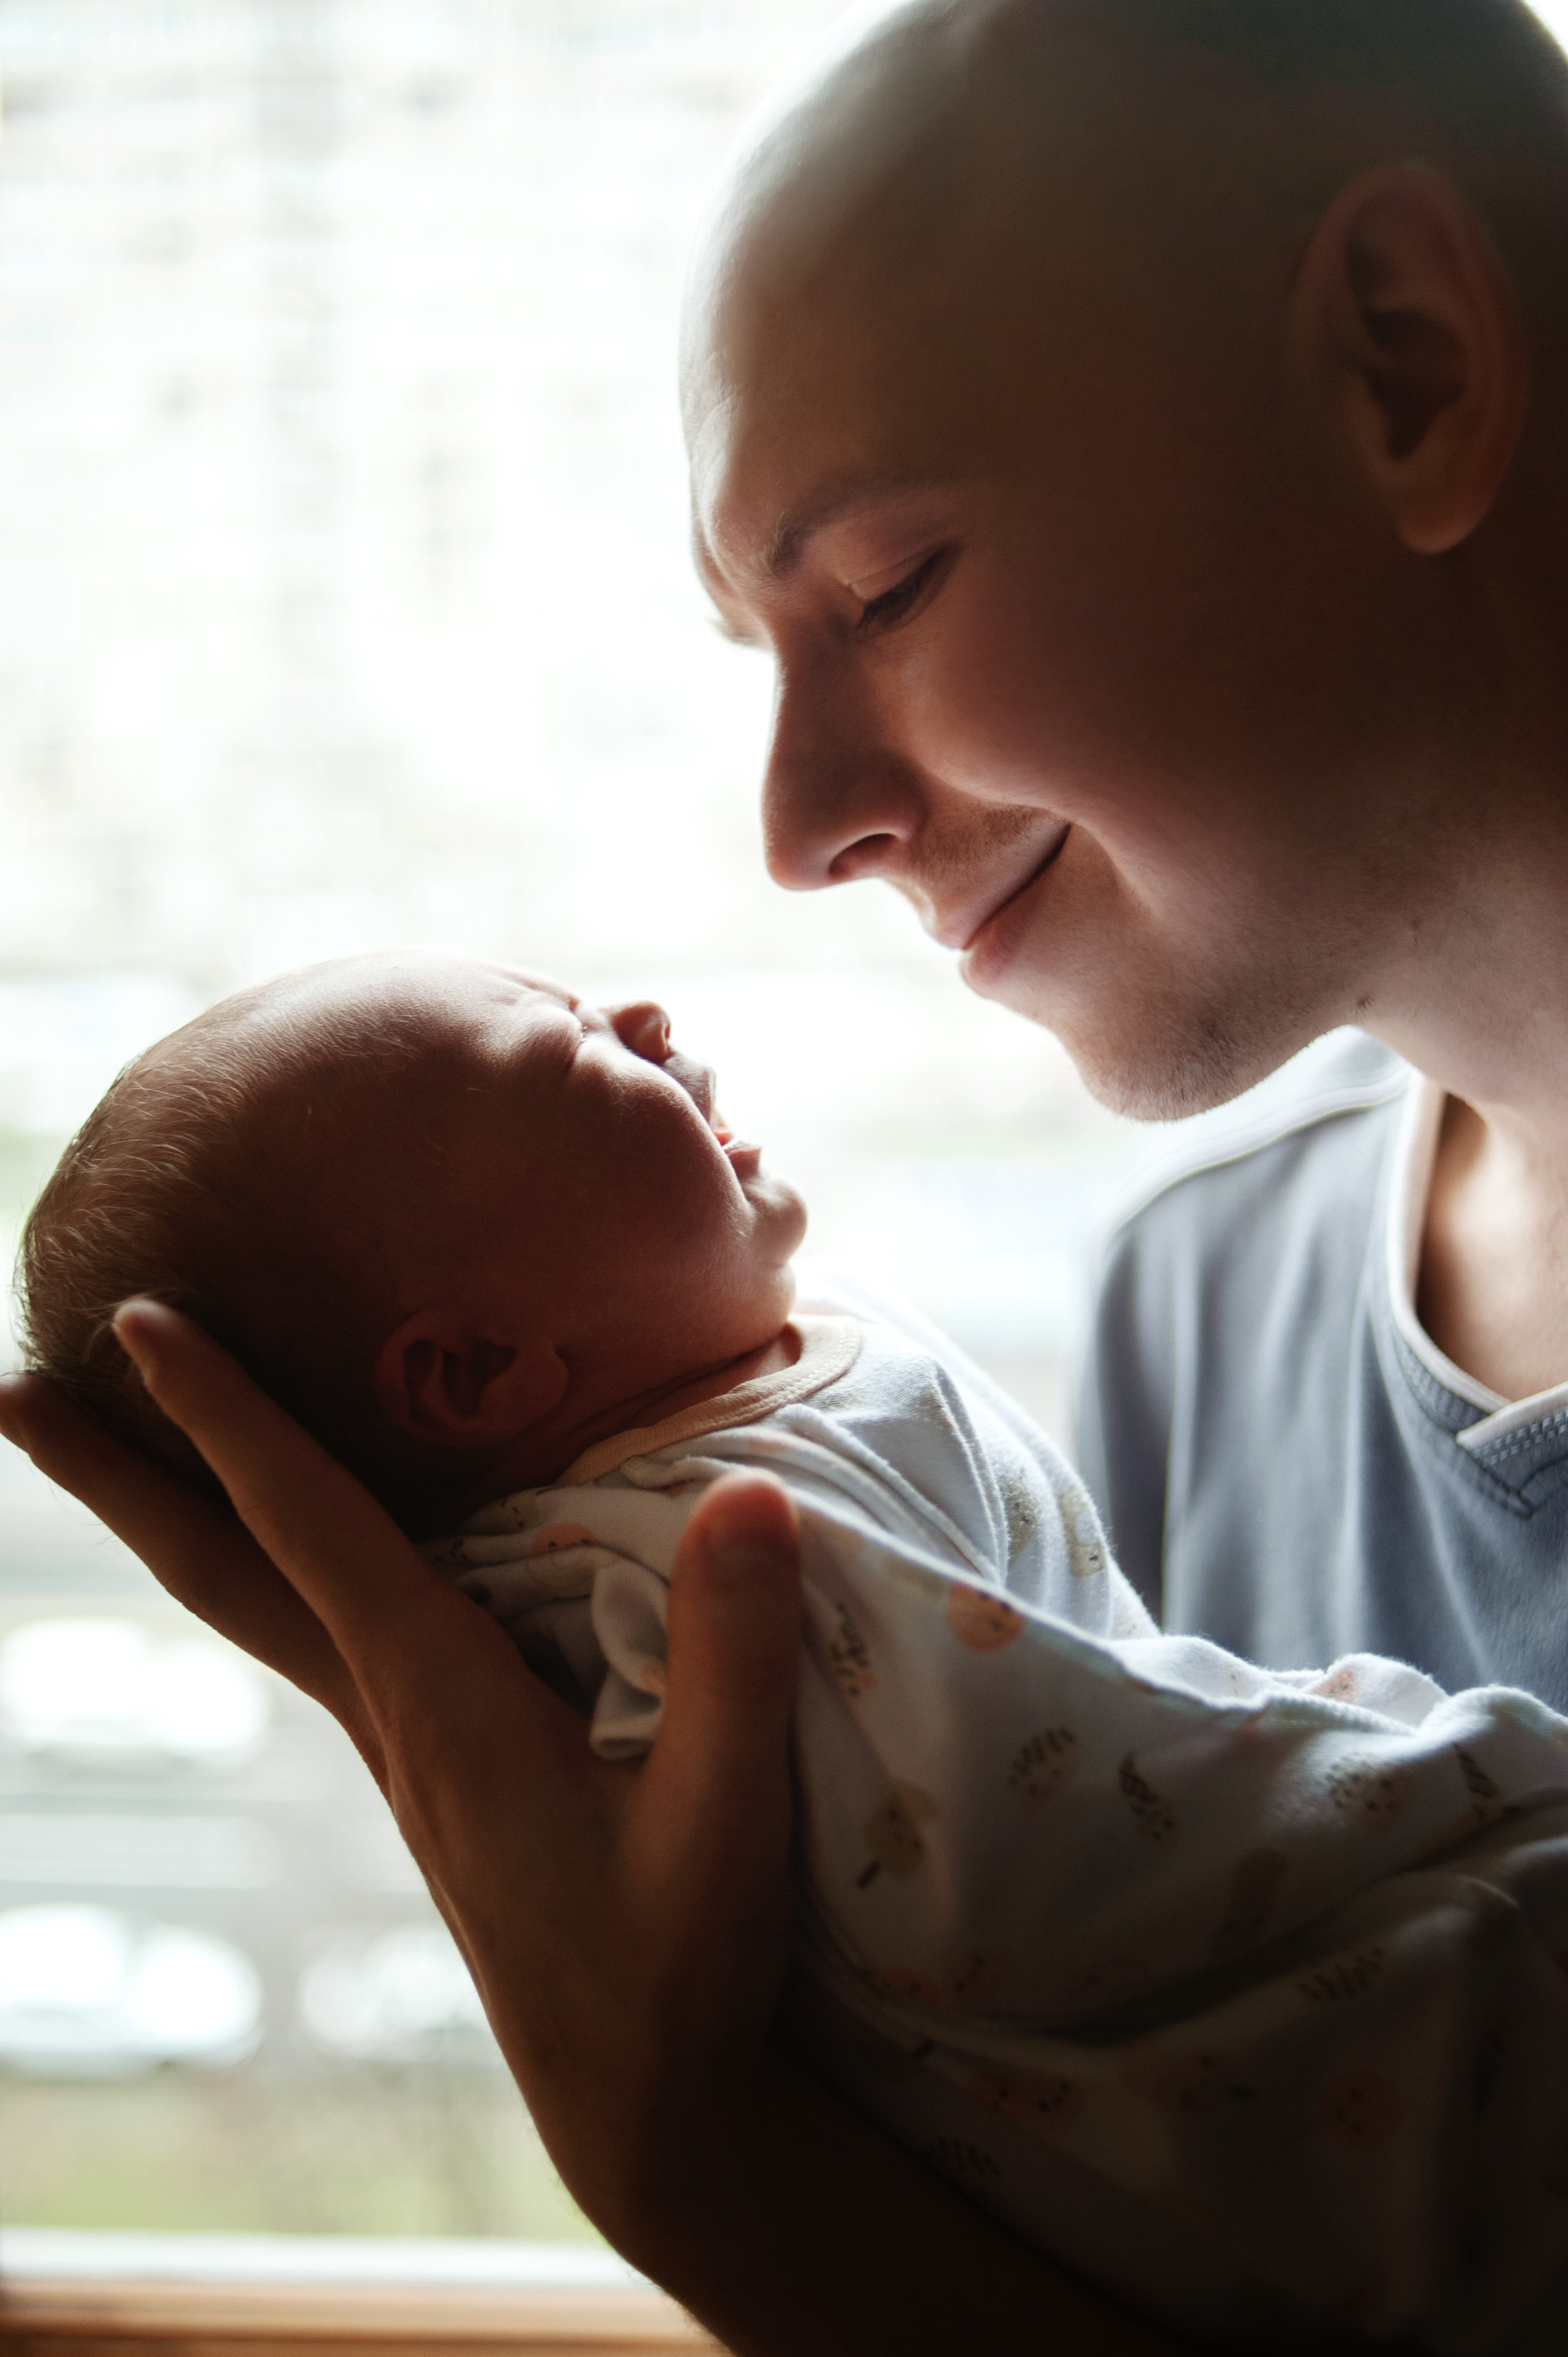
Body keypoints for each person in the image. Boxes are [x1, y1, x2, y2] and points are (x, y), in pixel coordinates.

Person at [7, 0, 1568, 2345]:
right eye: (755, 649)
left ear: (1404, 361)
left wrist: (713, 2178)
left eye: (890, 584)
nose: (794, 821)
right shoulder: (1189, 1322)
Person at [20, 946, 1568, 2348]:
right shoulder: (658, 1580)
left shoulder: (740, 1375)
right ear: (481, 1364)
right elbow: (1008, 1853)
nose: (637, 1013)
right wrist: (1434, 1778)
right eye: (565, 1056)